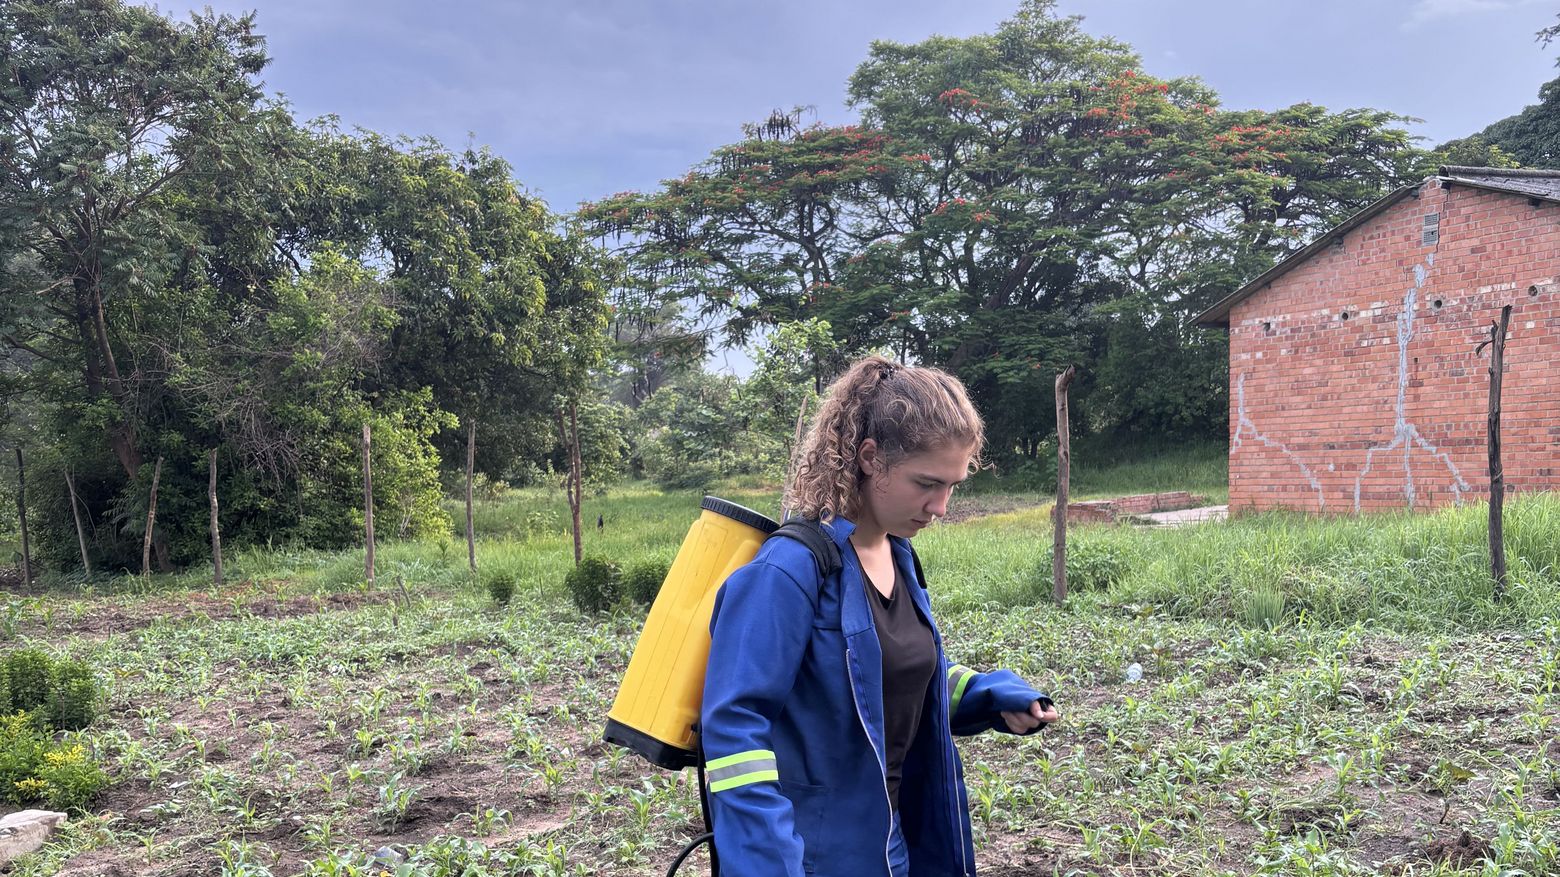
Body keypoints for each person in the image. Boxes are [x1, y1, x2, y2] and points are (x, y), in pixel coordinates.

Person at [700, 355, 1059, 877]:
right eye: (926, 483)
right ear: (870, 458)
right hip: (815, 859)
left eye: (953, 486)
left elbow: (895, 676)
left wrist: (991, 697)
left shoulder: (900, 556)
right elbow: (734, 735)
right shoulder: (788, 571)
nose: (941, 507)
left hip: (894, 846)